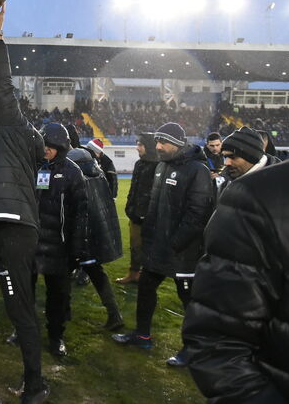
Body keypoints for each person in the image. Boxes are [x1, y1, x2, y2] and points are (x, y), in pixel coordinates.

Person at [182, 54, 289, 402]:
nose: (225, 162)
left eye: (230, 156)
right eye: (223, 155)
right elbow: (217, 342)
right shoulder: (259, 200)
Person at [0, 4, 49, 404]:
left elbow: (3, 86)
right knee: (19, 305)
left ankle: (35, 386)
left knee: (20, 309)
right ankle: (34, 377)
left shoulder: (12, 125)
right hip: (15, 228)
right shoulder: (22, 146)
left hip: (15, 230)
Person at [112, 122, 213, 368]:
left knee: (189, 301)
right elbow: (155, 208)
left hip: (183, 252)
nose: (157, 146)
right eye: (157, 141)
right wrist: (149, 236)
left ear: (177, 144)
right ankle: (143, 335)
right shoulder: (161, 167)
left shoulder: (197, 170)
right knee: (146, 288)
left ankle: (193, 349)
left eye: (163, 142)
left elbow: (198, 214)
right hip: (158, 248)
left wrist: (175, 242)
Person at [17, 123, 87, 358]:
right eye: (43, 144)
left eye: (51, 146)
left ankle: (56, 336)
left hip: (59, 246)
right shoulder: (31, 167)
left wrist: (77, 248)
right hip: (31, 242)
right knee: (24, 292)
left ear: (61, 147)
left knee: (57, 296)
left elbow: (80, 214)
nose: (46, 149)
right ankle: (22, 330)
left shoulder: (73, 172)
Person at [66, 148, 124, 332]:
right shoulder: (98, 174)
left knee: (62, 271)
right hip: (96, 233)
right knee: (96, 273)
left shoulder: (77, 177)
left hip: (79, 234)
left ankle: (63, 311)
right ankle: (114, 314)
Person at [117, 133, 158, 284]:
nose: (137, 148)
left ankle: (145, 276)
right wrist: (130, 208)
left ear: (148, 146)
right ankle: (134, 273)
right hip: (135, 214)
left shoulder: (158, 165)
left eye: (140, 145)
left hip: (149, 217)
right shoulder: (139, 164)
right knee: (135, 246)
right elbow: (134, 189)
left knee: (148, 248)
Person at [213, 127, 280, 199]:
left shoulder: (279, 186)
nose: (226, 163)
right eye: (225, 157)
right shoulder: (225, 186)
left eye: (232, 156)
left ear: (251, 157)